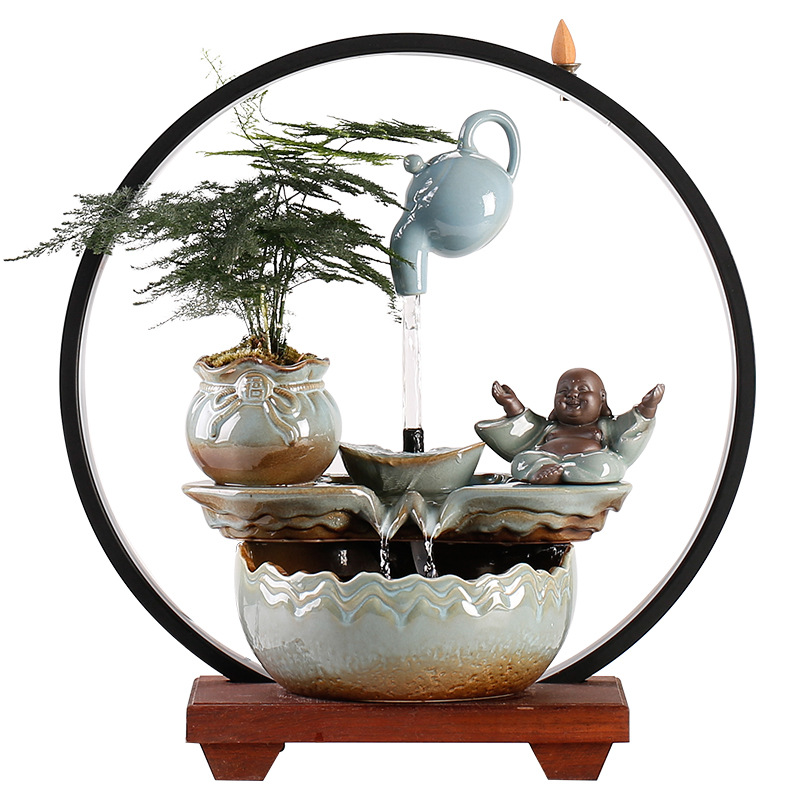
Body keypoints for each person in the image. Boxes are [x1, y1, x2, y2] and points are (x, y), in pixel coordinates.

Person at [475, 368, 664, 484]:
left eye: (582, 390)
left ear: (601, 398)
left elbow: (630, 429)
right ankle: (544, 472)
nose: (572, 395)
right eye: (563, 391)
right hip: (546, 459)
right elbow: (526, 428)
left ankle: (564, 473)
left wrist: (647, 408)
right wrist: (511, 404)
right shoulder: (549, 428)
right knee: (521, 460)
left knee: (607, 464)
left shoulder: (604, 427)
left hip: (586, 463)